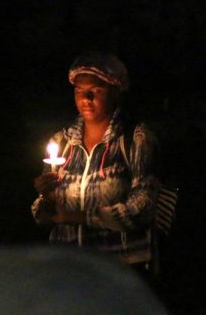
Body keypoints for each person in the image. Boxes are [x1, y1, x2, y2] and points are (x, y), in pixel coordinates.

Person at [32, 52, 160, 271]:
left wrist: (82, 217)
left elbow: (142, 208)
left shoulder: (135, 140)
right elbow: (48, 213)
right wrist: (44, 200)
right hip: (68, 265)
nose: (86, 99)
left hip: (120, 267)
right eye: (79, 91)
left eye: (96, 91)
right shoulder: (62, 142)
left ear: (116, 92)